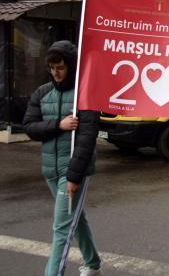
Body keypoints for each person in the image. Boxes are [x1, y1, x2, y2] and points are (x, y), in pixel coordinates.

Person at [23, 40, 102, 276]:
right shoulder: (42, 93)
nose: (55, 73)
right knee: (75, 220)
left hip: (73, 171)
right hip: (50, 169)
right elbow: (29, 127)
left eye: (60, 67)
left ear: (71, 67)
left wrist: (73, 176)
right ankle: (93, 263)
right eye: (52, 67)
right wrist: (59, 125)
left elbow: (87, 139)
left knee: (61, 228)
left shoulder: (84, 95)